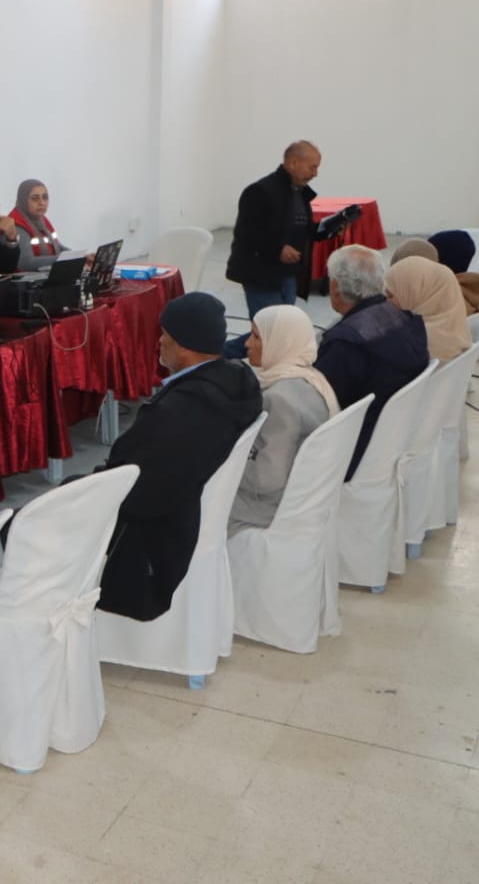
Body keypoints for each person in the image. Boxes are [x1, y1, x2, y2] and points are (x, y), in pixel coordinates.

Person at [97, 292, 263, 621]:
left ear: (185, 346)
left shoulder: (179, 411)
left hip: (153, 545)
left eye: (165, 335)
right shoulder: (238, 383)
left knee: (33, 518)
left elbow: (135, 491)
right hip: (187, 509)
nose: (159, 342)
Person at [315, 245, 429, 479]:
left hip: (354, 452)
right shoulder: (407, 319)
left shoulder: (345, 343)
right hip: (399, 437)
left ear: (335, 287)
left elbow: (318, 407)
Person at [228, 305, 339, 531]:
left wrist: (226, 461)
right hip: (306, 498)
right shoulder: (312, 379)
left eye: (256, 336)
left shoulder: (280, 399)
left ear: (280, 341)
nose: (247, 344)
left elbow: (266, 478)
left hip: (266, 510)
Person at [223, 141, 323, 356]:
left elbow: (300, 228)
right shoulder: (260, 191)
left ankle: (215, 355)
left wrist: (325, 230)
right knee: (270, 333)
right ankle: (217, 355)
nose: (315, 174)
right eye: (312, 167)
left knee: (279, 332)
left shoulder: (298, 192)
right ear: (293, 163)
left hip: (288, 275)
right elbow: (247, 234)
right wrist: (277, 250)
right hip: (262, 275)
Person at [385, 256, 472, 363]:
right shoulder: (459, 331)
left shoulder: (409, 343)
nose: (386, 301)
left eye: (390, 295)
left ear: (415, 295)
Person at [10, 178, 69, 271]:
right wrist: (63, 259)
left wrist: (81, 258)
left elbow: (57, 247)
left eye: (45, 197)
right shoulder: (16, 225)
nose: (42, 203)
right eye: (35, 198)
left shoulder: (41, 220)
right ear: (23, 200)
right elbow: (26, 263)